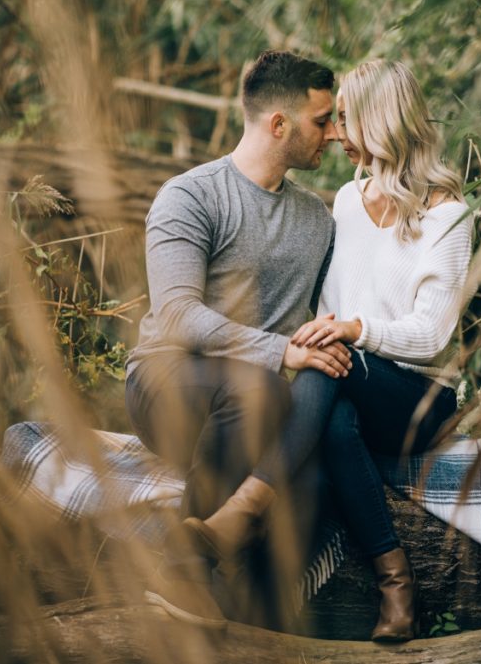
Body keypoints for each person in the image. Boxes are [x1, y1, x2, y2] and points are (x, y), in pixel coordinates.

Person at [197, 59, 472, 641]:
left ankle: (246, 510)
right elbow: (329, 307)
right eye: (335, 120)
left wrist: (353, 330)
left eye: (346, 119)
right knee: (336, 405)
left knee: (337, 369)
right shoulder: (348, 200)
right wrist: (321, 334)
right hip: (349, 385)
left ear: (382, 121)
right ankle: (391, 584)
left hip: (419, 400)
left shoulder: (447, 213)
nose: (336, 134)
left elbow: (431, 337)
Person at [124, 50, 352, 630]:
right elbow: (176, 315)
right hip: (169, 384)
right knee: (258, 391)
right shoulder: (191, 196)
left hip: (265, 403)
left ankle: (261, 630)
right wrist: (282, 352)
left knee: (313, 480)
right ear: (280, 125)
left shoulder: (317, 219)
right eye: (322, 121)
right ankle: (182, 571)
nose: (332, 133)